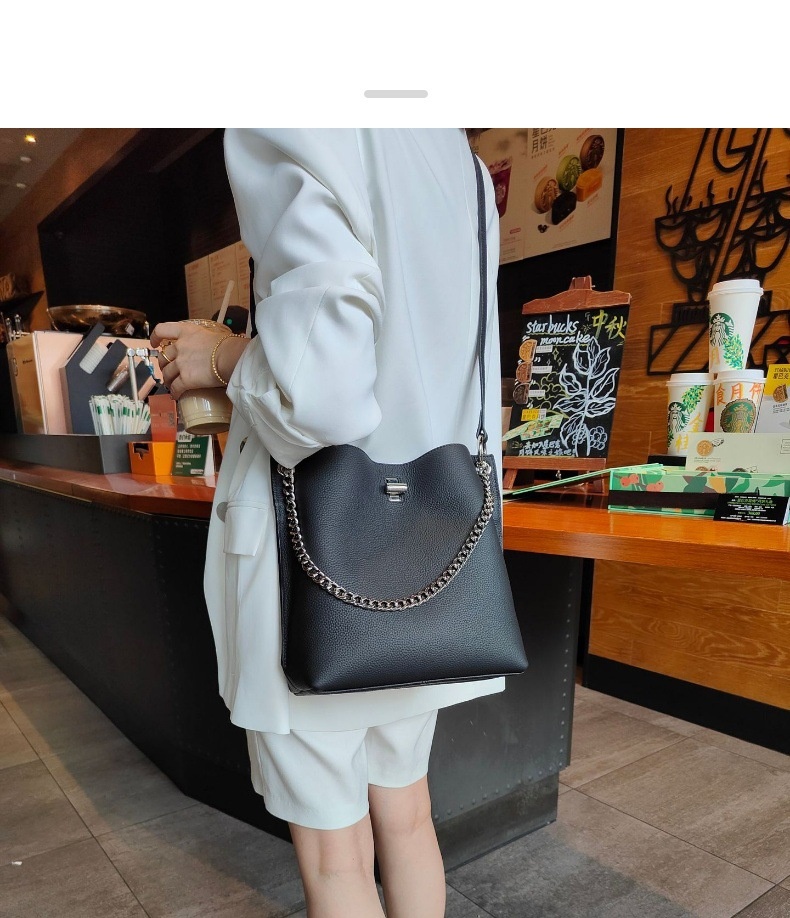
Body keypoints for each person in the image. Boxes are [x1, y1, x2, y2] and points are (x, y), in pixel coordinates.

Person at [151, 128, 505, 918]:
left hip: (311, 556)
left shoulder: (297, 111)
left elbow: (321, 393)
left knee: (338, 859)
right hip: (430, 556)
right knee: (408, 819)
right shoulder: (462, 162)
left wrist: (219, 355)